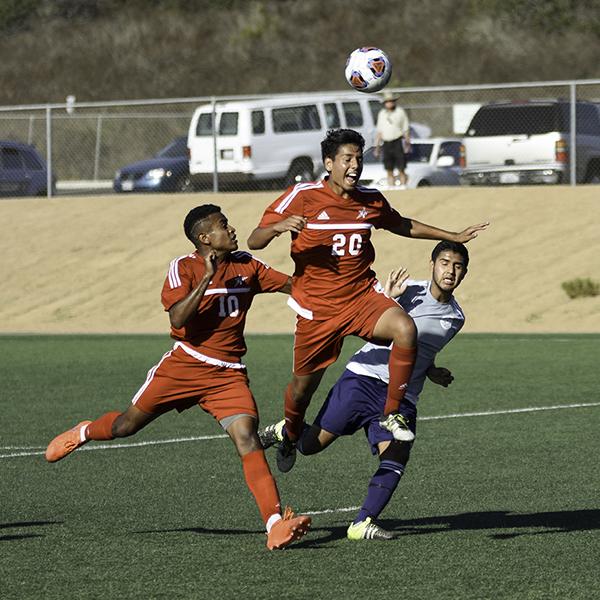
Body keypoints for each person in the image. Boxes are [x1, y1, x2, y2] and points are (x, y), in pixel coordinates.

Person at [45, 204, 311, 551]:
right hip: (185, 366)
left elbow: (295, 286)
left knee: (247, 437)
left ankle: (275, 524)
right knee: (126, 425)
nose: (231, 230)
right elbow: (178, 319)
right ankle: (84, 431)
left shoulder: (247, 264)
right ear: (204, 238)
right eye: (222, 226)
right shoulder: (183, 267)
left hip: (227, 375)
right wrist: (205, 279)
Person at [247, 128, 488, 473]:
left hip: (361, 296)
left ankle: (391, 415)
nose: (355, 165)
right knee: (301, 391)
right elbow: (255, 241)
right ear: (329, 163)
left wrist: (451, 235)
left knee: (405, 329)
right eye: (347, 158)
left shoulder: (369, 200)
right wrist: (279, 226)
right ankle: (288, 432)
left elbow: (402, 224)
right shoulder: (302, 195)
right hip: (317, 310)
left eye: (359, 158)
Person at [260, 241, 470, 540]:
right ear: (432, 263)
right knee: (309, 446)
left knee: (397, 455)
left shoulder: (455, 318)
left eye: (458, 266)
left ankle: (362, 523)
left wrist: (433, 370)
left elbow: (421, 350)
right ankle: (287, 431)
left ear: (464, 272)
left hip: (403, 396)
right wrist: (389, 298)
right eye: (445, 262)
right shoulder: (408, 290)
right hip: (363, 379)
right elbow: (371, 317)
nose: (450, 270)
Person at [374, 91, 411, 188]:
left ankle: (403, 185)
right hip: (386, 143)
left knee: (401, 166)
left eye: (391, 101)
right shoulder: (382, 114)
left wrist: (407, 143)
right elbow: (379, 131)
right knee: (388, 167)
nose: (389, 103)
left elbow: (405, 128)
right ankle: (391, 186)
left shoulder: (400, 112)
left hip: (397, 141)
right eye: (387, 101)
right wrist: (377, 146)